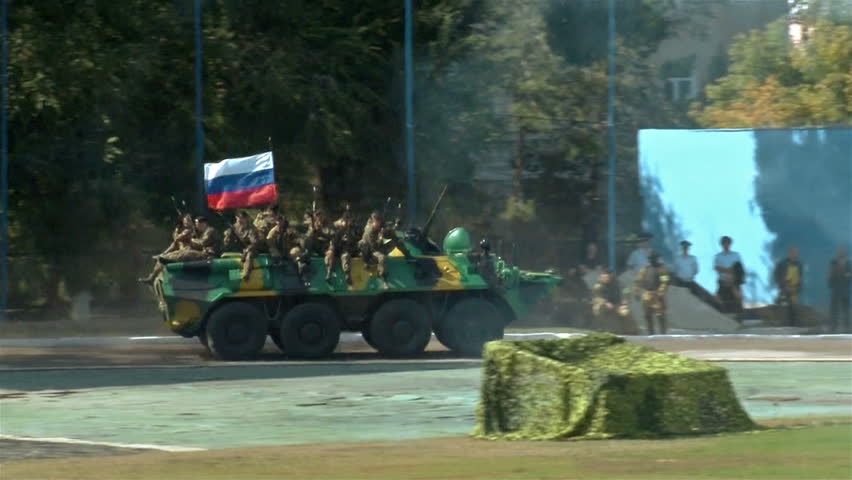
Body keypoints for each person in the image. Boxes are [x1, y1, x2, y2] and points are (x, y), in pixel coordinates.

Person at [138, 216, 221, 284]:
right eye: (195, 223)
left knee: (186, 253)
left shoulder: (210, 230)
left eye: (198, 224)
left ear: (204, 223)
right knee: (169, 256)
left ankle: (171, 260)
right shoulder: (201, 232)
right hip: (203, 253)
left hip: (209, 255)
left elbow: (203, 242)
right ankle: (152, 277)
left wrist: (191, 239)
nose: (196, 225)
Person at [592, 268, 638, 335]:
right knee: (600, 308)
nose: (606, 278)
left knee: (626, 314)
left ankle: (631, 331)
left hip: (617, 305)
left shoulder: (618, 283)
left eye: (608, 277)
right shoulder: (598, 286)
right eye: (604, 277)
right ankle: (600, 327)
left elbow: (626, 290)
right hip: (604, 306)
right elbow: (596, 297)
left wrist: (626, 300)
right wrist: (605, 302)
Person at [634, 252, 669, 335]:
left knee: (660, 315)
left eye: (654, 258)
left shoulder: (662, 269)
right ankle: (651, 333)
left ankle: (663, 333)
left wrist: (661, 291)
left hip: (657, 294)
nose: (652, 260)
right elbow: (639, 280)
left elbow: (665, 281)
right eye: (650, 259)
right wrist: (637, 291)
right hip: (647, 294)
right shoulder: (645, 269)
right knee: (647, 315)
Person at [224, 211, 262, 280]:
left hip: (251, 249)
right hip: (238, 249)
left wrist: (247, 249)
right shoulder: (233, 228)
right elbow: (227, 243)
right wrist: (228, 236)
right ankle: (234, 278)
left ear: (246, 219)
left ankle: (246, 274)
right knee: (231, 257)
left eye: (242, 218)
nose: (240, 220)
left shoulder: (251, 228)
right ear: (236, 218)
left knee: (249, 255)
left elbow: (254, 242)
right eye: (239, 218)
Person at [326, 209, 359, 284]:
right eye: (345, 221)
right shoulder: (338, 231)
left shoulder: (352, 231)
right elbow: (334, 242)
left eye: (348, 221)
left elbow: (354, 242)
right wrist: (340, 242)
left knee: (345, 256)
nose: (347, 223)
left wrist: (348, 241)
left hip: (346, 250)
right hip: (337, 250)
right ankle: (329, 273)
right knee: (329, 255)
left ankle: (347, 275)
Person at [773, 246, 803, 326]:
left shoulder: (799, 265)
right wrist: (782, 285)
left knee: (793, 309)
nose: (795, 254)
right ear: (790, 253)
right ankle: (780, 324)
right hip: (784, 289)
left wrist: (798, 289)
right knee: (782, 306)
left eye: (796, 253)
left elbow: (800, 278)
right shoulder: (783, 263)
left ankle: (793, 325)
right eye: (793, 252)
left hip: (794, 291)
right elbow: (776, 274)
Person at [714, 236, 744, 315]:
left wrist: (730, 273)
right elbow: (717, 268)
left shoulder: (736, 255)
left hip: (734, 281)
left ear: (730, 244)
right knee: (717, 298)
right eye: (724, 243)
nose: (726, 245)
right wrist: (729, 270)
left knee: (739, 297)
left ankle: (740, 316)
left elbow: (739, 268)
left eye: (727, 243)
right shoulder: (718, 256)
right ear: (722, 245)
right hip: (723, 281)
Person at [828, 247, 851, 333]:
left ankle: (847, 327)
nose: (841, 252)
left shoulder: (848, 263)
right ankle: (833, 327)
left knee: (846, 310)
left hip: (845, 291)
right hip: (836, 290)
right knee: (834, 310)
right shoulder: (833, 263)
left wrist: (845, 275)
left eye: (842, 251)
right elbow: (830, 275)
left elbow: (849, 276)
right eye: (839, 251)